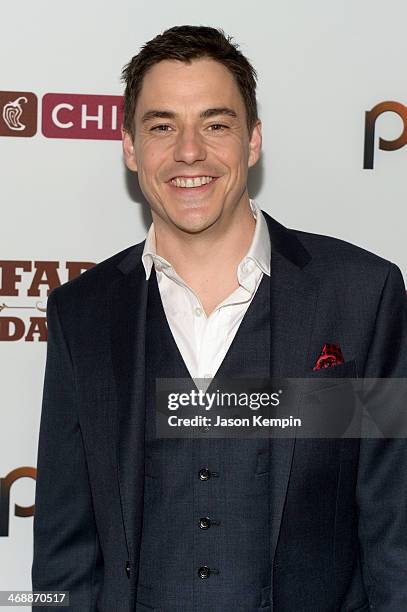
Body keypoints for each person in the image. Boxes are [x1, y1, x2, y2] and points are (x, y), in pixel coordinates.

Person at [32, 25, 407, 611]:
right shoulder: (82, 313)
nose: (189, 152)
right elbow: (64, 547)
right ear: (130, 148)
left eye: (215, 124)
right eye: (162, 126)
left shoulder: (361, 294)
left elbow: (393, 527)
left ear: (252, 141)